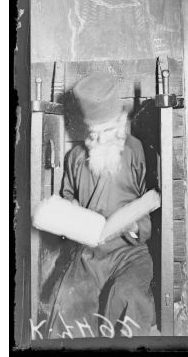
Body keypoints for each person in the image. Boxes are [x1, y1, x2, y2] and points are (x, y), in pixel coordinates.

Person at [46, 72, 156, 338]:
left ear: (120, 124)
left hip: (130, 253)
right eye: (94, 134)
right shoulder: (75, 158)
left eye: (108, 132)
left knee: (128, 295)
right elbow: (69, 197)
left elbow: (152, 200)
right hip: (88, 254)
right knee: (69, 300)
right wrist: (70, 216)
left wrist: (130, 226)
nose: (101, 140)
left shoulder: (137, 152)